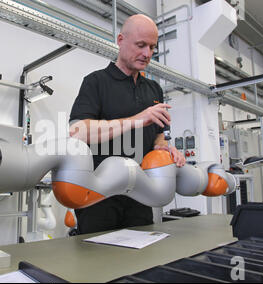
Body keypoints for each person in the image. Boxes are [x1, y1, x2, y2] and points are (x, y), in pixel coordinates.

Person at [68, 14, 186, 235]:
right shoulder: (95, 82)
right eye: (141, 45)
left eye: (152, 47)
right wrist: (137, 120)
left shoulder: (154, 90)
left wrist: (165, 147)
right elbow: (77, 133)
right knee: (97, 264)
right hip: (98, 197)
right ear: (120, 40)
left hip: (140, 195)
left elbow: (160, 134)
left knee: (141, 263)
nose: (147, 54)